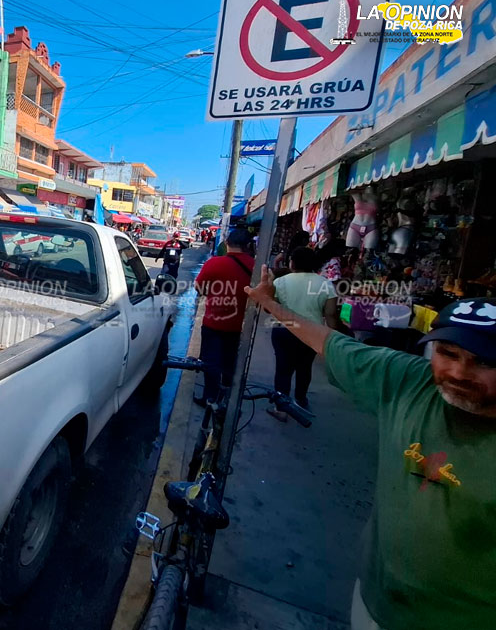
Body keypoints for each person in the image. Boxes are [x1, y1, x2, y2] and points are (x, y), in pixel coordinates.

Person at [245, 270, 496, 630]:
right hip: (374, 602)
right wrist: (268, 303)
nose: (459, 371)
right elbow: (330, 342)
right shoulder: (409, 380)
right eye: (447, 353)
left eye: (485, 362)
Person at [267, 246, 340, 418]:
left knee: (283, 369)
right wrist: (334, 337)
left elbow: (271, 309)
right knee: (305, 368)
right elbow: (330, 314)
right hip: (311, 333)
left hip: (283, 331)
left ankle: (281, 408)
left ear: (292, 262)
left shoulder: (280, 282)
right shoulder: (325, 284)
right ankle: (301, 400)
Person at [193, 228, 255, 406]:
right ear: (248, 246)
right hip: (237, 324)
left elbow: (199, 288)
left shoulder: (215, 263)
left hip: (213, 321)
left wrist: (211, 292)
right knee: (229, 361)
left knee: (210, 362)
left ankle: (209, 397)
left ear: (227, 243)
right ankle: (227, 395)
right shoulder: (255, 266)